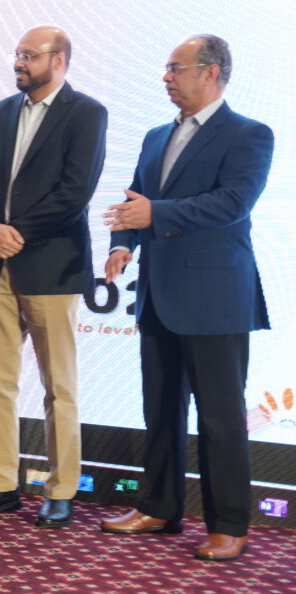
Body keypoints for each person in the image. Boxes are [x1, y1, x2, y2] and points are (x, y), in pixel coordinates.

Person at [100, 35, 271, 561]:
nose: (166, 77)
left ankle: (229, 524)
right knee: (160, 410)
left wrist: (156, 214)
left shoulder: (249, 134)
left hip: (216, 298)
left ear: (211, 72)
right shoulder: (156, 136)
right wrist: (122, 244)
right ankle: (158, 507)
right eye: (167, 68)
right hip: (158, 294)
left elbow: (232, 203)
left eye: (176, 68)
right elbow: (136, 199)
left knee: (220, 419)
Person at [0, 26, 107, 528]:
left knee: (58, 386)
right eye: (18, 54)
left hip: (52, 266)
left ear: (58, 60)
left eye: (29, 55)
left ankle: (61, 489)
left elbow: (75, 192)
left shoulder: (87, 113)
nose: (18, 62)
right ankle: (1, 484)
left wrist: (13, 234)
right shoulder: (3, 111)